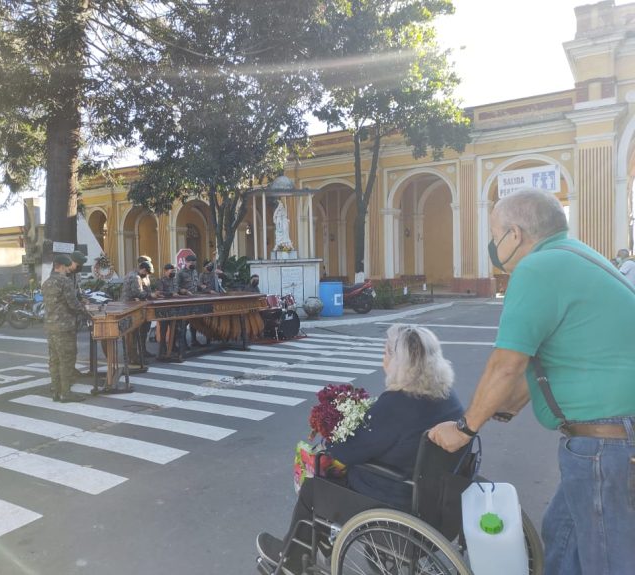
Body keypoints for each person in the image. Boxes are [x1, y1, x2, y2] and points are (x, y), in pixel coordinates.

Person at [428, 188, 635, 575]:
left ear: (516, 235)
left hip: (606, 447)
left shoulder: (536, 269)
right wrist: (512, 402)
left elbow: (506, 363)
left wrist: (465, 428)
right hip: (607, 442)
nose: (492, 245)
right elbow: (565, 352)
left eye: (494, 234)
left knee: (607, 562)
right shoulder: (577, 256)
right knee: (561, 538)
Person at [257, 324, 463, 573]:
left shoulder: (397, 404)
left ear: (400, 363)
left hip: (395, 502)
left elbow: (347, 452)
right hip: (439, 504)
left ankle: (290, 556)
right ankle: (314, 542)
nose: (383, 356)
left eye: (387, 352)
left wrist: (331, 436)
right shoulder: (448, 397)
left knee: (315, 486)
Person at [42, 254, 87, 403]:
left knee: (54, 360)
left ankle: (56, 391)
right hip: (65, 327)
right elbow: (73, 304)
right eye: (67, 266)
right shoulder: (65, 282)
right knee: (66, 359)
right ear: (60, 266)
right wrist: (85, 310)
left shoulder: (47, 282)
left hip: (50, 326)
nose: (69, 269)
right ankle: (66, 393)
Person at [121, 259, 157, 362]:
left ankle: (142, 351)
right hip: (131, 307)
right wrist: (151, 295)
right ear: (143, 269)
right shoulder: (134, 276)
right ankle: (133, 357)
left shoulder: (143, 276)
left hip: (141, 306)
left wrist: (152, 294)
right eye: (146, 272)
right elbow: (138, 293)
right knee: (133, 332)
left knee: (144, 330)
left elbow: (147, 289)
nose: (147, 275)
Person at [177, 254, 207, 346]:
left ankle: (194, 340)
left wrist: (200, 286)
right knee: (184, 322)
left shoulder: (194, 271)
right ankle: (184, 343)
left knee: (195, 321)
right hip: (185, 300)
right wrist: (184, 291)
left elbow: (195, 283)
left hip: (195, 298)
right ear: (186, 262)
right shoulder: (180, 273)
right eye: (190, 262)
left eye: (194, 262)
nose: (193, 264)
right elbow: (176, 287)